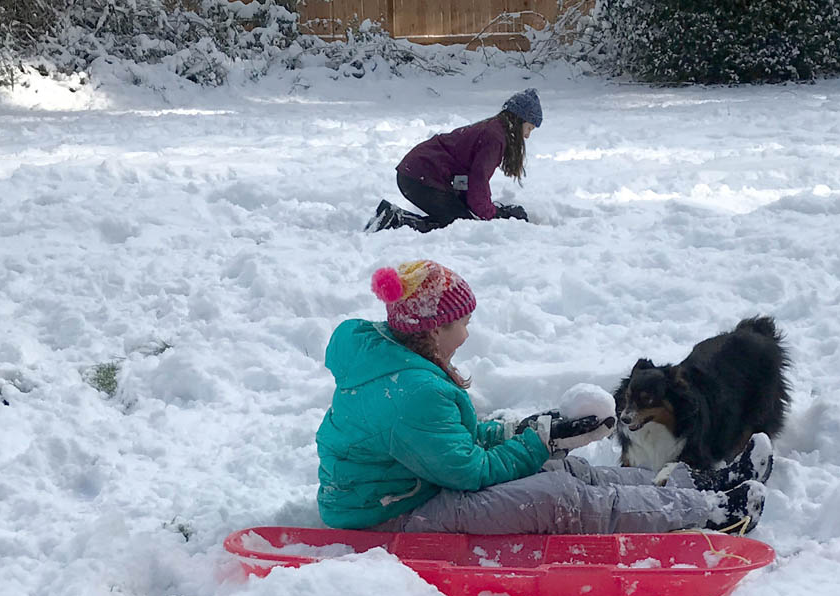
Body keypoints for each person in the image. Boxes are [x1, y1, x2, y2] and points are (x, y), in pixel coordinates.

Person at [315, 260, 773, 535]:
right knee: (558, 495)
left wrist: (531, 433)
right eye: (461, 323)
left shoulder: (398, 365)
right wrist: (533, 445)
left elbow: (455, 439)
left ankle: (697, 483)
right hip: (391, 513)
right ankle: (713, 512)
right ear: (434, 330)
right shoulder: (412, 391)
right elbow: (466, 471)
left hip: (409, 488)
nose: (468, 332)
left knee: (563, 468)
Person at [364, 89, 541, 233]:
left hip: (417, 173)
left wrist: (486, 210)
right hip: (421, 177)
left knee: (458, 220)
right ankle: (394, 221)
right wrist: (493, 214)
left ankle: (393, 218)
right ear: (518, 120)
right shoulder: (495, 138)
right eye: (529, 128)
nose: (526, 136)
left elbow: (468, 177)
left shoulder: (494, 129)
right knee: (459, 226)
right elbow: (478, 180)